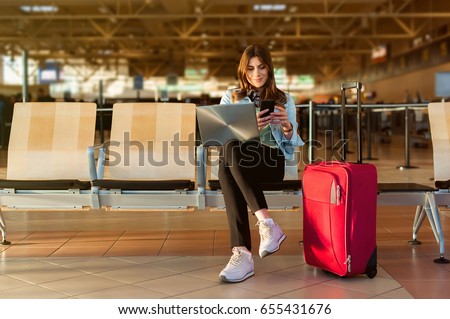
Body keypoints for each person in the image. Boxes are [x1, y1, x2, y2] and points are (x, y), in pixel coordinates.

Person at [218, 44, 304, 283]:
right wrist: (249, 128)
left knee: (227, 164)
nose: (257, 74)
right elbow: (221, 135)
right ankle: (264, 225)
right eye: (251, 69)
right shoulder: (231, 96)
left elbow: (291, 145)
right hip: (241, 162)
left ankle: (242, 253)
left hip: (270, 162)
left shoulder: (284, 99)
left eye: (262, 67)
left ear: (269, 68)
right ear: (243, 71)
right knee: (229, 151)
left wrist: (287, 127)